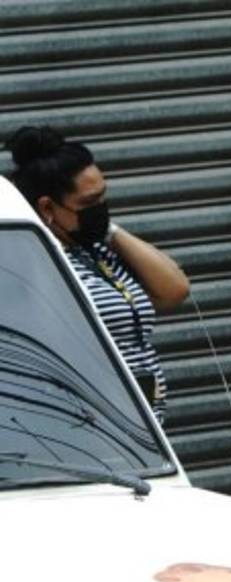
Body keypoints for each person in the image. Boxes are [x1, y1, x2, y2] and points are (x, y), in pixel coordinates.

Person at [5, 126, 189, 422]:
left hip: (144, 423)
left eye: (103, 197)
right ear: (47, 207)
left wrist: (109, 230)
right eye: (89, 204)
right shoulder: (40, 264)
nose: (100, 208)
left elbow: (175, 288)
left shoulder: (98, 252)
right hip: (92, 427)